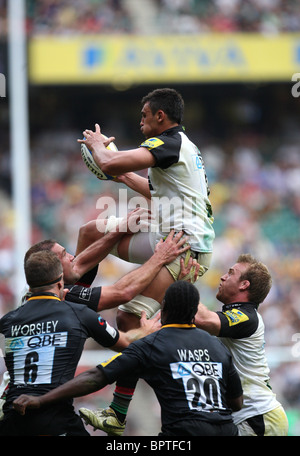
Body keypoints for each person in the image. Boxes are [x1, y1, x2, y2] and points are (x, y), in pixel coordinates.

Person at [13, 281, 243, 437]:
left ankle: (116, 414)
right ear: (195, 313)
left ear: (163, 308)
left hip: (183, 433)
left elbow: (96, 377)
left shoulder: (152, 345)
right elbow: (236, 402)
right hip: (226, 429)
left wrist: (42, 400)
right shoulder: (217, 346)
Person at [78, 87, 215, 331]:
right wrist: (123, 177)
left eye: (144, 115)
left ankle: (160, 362)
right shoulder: (183, 147)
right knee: (90, 232)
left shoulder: (168, 143)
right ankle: (75, 304)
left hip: (185, 247)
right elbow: (156, 191)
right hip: (166, 237)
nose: (140, 120)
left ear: (160, 116)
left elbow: (108, 162)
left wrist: (97, 144)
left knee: (128, 320)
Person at [0, 250, 161, 436]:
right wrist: (145, 331)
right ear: (61, 282)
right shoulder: (79, 314)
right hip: (55, 419)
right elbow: (125, 343)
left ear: (29, 285)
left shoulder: (8, 321)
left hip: (13, 421)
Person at [193, 253, 289, 436]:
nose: (223, 276)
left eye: (231, 273)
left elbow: (201, 318)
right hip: (253, 416)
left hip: (259, 417)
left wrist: (183, 280)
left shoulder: (247, 317)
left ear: (244, 284)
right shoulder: (240, 317)